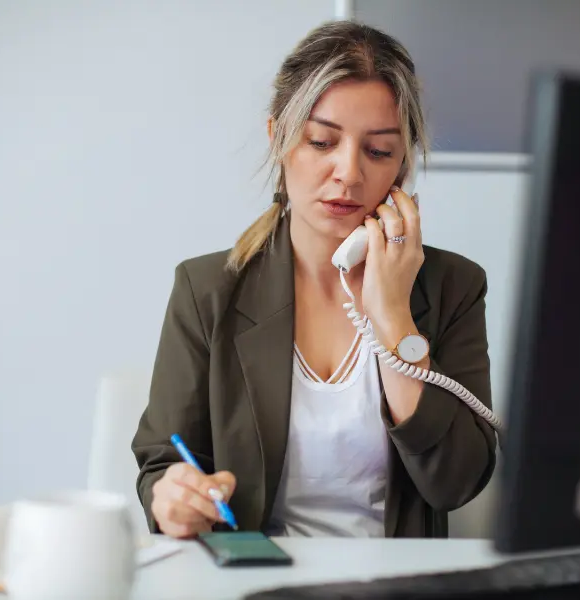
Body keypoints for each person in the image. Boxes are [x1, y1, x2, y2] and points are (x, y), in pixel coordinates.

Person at [131, 20, 497, 539]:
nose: (348, 173)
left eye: (378, 151)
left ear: (402, 168)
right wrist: (173, 498)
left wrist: (392, 315)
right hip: (255, 583)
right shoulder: (207, 288)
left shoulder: (452, 286)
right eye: (322, 141)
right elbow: (162, 463)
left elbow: (456, 483)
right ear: (278, 137)